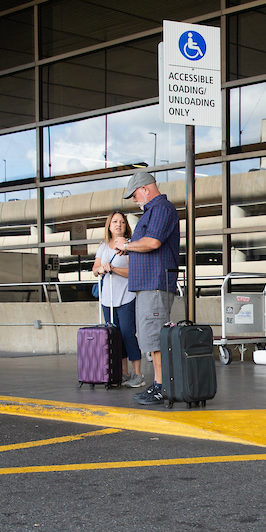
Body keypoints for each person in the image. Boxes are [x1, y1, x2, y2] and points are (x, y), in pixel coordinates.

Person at [114, 169, 180, 406]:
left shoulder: (162, 209)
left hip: (155, 282)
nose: (134, 199)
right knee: (150, 337)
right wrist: (130, 247)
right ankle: (157, 384)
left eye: (134, 194)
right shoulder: (153, 211)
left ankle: (161, 386)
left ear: (145, 188)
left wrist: (128, 244)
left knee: (154, 335)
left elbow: (152, 242)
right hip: (147, 284)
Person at [92, 210, 144, 388]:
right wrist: (102, 269)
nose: (118, 225)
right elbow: (95, 269)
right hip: (108, 298)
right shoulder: (104, 246)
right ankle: (123, 373)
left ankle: (138, 373)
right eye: (115, 222)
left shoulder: (131, 245)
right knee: (115, 336)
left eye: (121, 222)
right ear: (109, 225)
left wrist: (113, 268)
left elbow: (134, 273)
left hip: (126, 296)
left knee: (129, 334)